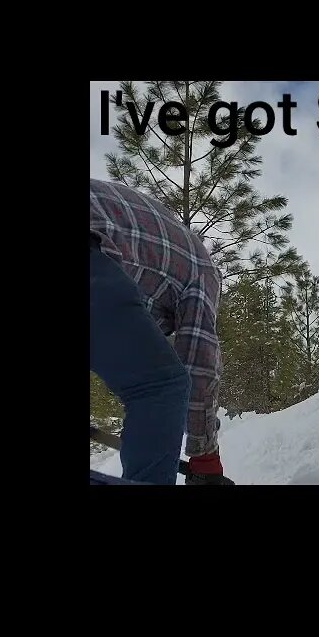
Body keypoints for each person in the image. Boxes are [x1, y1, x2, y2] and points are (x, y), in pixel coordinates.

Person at [90, 178, 231, 485]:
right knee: (161, 387)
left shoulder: (146, 240)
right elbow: (200, 363)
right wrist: (206, 456)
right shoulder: (203, 271)